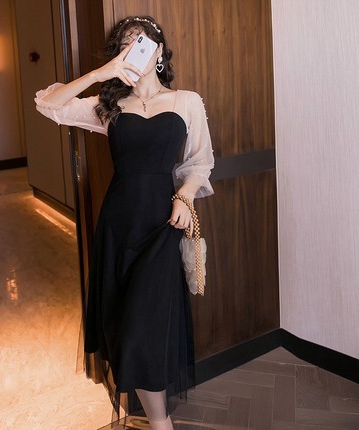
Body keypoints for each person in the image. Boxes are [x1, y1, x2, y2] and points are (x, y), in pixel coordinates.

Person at [35, 16, 214, 430]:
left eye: (142, 42)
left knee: (143, 329)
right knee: (125, 328)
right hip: (118, 227)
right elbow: (48, 104)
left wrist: (185, 195)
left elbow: (200, 161)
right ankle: (161, 423)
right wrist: (101, 74)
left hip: (162, 227)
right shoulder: (109, 106)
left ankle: (160, 423)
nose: (134, 49)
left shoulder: (186, 101)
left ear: (159, 51)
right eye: (125, 44)